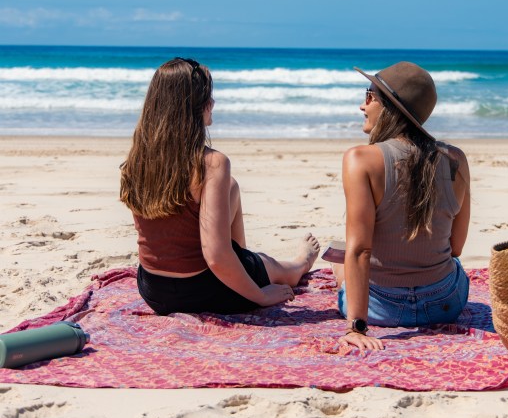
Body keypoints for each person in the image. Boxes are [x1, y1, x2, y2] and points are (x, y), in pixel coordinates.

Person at [120, 57, 320, 315]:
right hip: (203, 290)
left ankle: (244, 259)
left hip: (153, 290)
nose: (212, 103)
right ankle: (300, 263)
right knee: (277, 268)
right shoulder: (211, 163)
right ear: (195, 106)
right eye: (207, 97)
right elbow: (214, 255)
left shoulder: (139, 158)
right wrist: (260, 295)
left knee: (231, 187)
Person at [334, 61, 471, 350]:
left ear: (388, 106)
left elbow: (360, 249)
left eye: (369, 95)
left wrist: (356, 327)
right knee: (453, 265)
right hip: (444, 304)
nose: (363, 105)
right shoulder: (456, 159)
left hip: (380, 309)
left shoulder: (360, 159)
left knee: (342, 261)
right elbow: (456, 248)